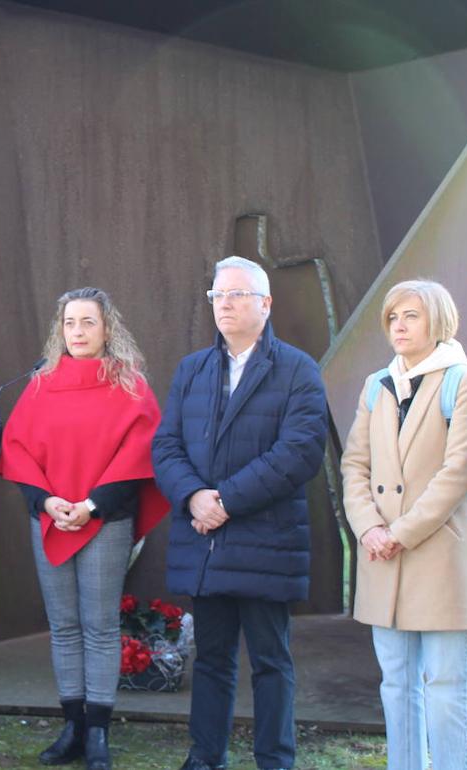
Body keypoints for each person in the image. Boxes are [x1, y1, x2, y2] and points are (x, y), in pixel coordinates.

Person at [152, 256, 328, 770]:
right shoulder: (193, 369)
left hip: (265, 541)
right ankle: (204, 756)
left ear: (266, 304)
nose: (224, 304)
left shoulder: (297, 369)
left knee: (271, 661)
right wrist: (192, 498)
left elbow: (298, 453)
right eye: (217, 296)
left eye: (236, 295)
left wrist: (224, 500)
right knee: (211, 659)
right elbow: (166, 446)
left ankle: (274, 759)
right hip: (204, 538)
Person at [0, 287, 169, 770]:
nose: (78, 331)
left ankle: (98, 732)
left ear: (107, 329)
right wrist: (48, 501)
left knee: (98, 627)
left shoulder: (130, 384)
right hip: (50, 514)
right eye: (70, 323)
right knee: (64, 627)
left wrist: (92, 505)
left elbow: (139, 454)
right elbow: (17, 448)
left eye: (88, 323)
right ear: (61, 330)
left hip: (105, 520)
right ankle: (71, 724)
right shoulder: (39, 383)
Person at [340, 280, 467, 770]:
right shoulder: (376, 384)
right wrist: (368, 529)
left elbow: (459, 472)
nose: (399, 327)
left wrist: (397, 534)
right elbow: (354, 465)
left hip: (437, 555)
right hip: (381, 554)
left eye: (411, 316)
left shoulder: (462, 380)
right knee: (396, 683)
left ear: (438, 321)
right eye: (393, 318)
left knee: (447, 686)